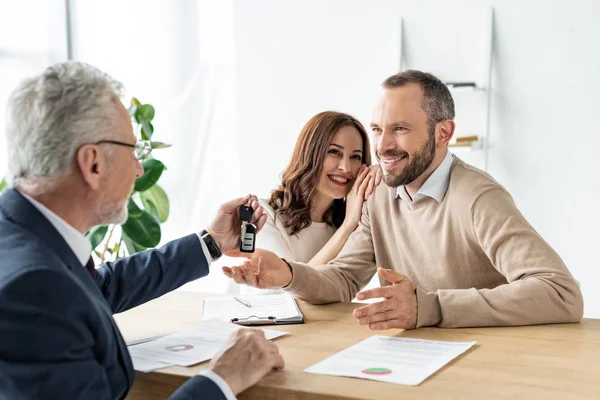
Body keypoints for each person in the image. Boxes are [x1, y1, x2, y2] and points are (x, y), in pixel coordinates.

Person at [0, 61, 283, 399]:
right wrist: (221, 380)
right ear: (93, 163)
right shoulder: (33, 288)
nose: (138, 169)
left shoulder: (22, 239)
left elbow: (98, 288)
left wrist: (212, 242)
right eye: (132, 151)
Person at [224, 69, 584, 330]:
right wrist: (288, 274)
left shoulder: (478, 198)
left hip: (484, 361)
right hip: (411, 358)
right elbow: (343, 279)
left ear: (443, 133)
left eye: (400, 128)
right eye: (378, 129)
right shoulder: (378, 193)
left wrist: (430, 307)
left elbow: (561, 293)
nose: (381, 146)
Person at [253, 111, 380, 267]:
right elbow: (289, 287)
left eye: (355, 157)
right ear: (310, 154)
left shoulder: (350, 224)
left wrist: (383, 175)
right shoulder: (263, 216)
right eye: (334, 152)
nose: (345, 167)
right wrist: (348, 225)